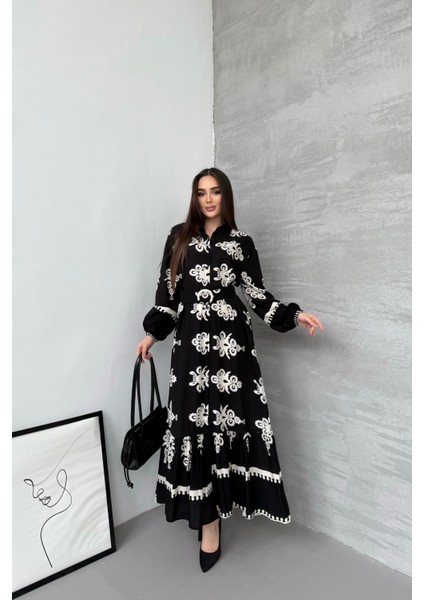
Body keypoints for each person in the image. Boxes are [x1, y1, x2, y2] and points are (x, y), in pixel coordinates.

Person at [136, 167, 324, 572]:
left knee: (228, 423)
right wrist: (152, 334)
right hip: (191, 351)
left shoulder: (241, 243)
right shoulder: (178, 238)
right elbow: (167, 295)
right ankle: (205, 513)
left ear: (226, 196)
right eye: (201, 192)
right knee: (193, 425)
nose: (208, 199)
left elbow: (256, 296)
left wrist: (294, 316)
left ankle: (213, 519)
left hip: (232, 350)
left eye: (215, 191)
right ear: (194, 197)